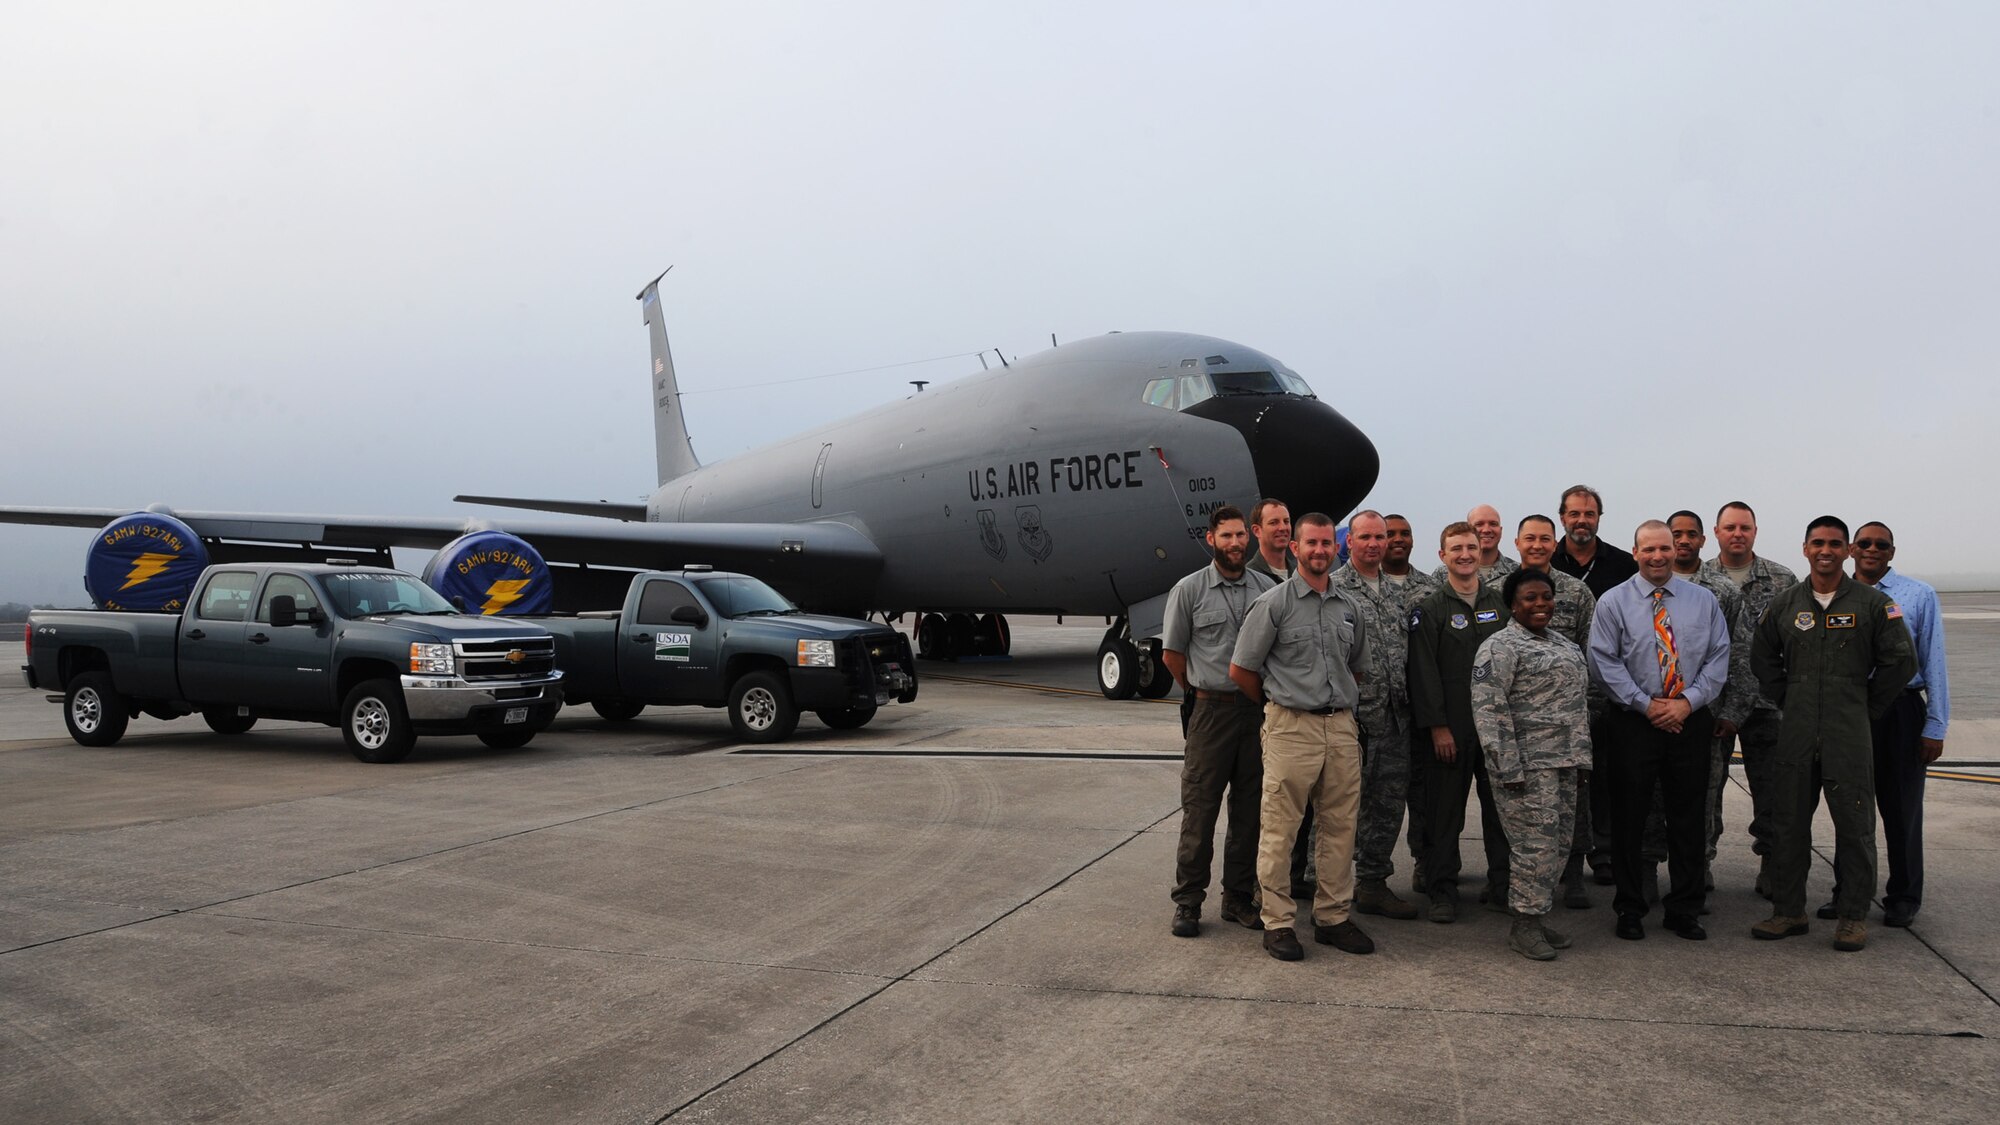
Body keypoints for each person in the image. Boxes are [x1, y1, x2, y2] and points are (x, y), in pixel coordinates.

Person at [1750, 516, 1916, 952]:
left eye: (1835, 543)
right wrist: (1789, 697)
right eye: (1818, 542)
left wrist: (1867, 705)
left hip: (1849, 730)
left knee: (1856, 826)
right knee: (1787, 823)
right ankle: (1788, 911)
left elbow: (1901, 660)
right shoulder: (1785, 605)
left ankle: (1852, 917)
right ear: (1805, 548)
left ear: (1847, 551)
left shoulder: (1873, 605)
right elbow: (1762, 656)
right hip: (1798, 729)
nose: (1826, 550)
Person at [1229, 513, 1374, 961]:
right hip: (1291, 726)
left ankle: (1332, 917)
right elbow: (1241, 670)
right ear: (1295, 548)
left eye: (1327, 543)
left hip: (1341, 727)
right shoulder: (1274, 604)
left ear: (1336, 548)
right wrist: (1282, 705)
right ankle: (1277, 922)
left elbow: (1357, 666)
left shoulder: (1348, 606)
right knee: (1280, 828)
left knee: (1339, 827)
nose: (1319, 551)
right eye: (1310, 543)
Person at [1588, 521, 1731, 942]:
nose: (1658, 556)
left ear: (1676, 551)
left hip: (1689, 719)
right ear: (1635, 552)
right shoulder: (1613, 602)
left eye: (1665, 548)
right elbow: (1603, 662)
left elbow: (1719, 656)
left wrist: (1687, 703)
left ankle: (1684, 909)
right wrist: (1646, 704)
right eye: (1648, 549)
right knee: (1629, 818)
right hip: (1634, 721)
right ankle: (1629, 907)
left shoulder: (1703, 600)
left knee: (1688, 817)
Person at [1813, 522, 1945, 929]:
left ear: (1892, 551)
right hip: (1848, 710)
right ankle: (1848, 892)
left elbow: (1933, 660)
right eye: (1864, 543)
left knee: (1901, 807)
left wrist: (1936, 725)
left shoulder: (1918, 596)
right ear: (1852, 549)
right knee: (1849, 806)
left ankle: (1903, 895)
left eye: (1881, 545)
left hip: (1900, 709)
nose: (1872, 550)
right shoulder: (1837, 594)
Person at [1160, 505, 1278, 938]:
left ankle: (1238, 899)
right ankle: (1189, 901)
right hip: (1209, 713)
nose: (1234, 544)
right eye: (1224, 536)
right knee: (1201, 810)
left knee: (1250, 812)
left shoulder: (1267, 589)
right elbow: (1172, 655)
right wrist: (1199, 692)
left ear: (1249, 538)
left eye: (1239, 536)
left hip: (1255, 712)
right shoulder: (1188, 590)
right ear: (1211, 539)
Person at [1473, 570, 1591, 960]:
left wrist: (1581, 758)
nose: (1541, 604)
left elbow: (1577, 704)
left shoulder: (1564, 644)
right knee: (1532, 848)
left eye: (1546, 597)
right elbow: (1489, 711)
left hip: (1565, 763)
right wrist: (1507, 768)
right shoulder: (1500, 647)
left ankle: (1537, 917)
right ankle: (1523, 925)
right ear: (1512, 604)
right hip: (1526, 767)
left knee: (1557, 846)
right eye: (1530, 598)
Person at [1408, 522, 1511, 923]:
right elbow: (1423, 673)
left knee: (1500, 813)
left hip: (1494, 729)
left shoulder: (1501, 606)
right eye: (1456, 548)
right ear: (1443, 556)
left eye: (1471, 546)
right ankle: (1442, 891)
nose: (1465, 554)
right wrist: (1437, 727)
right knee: (1444, 814)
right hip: (1451, 730)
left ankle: (1502, 886)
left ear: (1481, 551)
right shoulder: (1431, 610)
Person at [1329, 511, 1422, 920]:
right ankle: (1325, 889)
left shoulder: (1401, 591)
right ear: (1349, 542)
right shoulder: (1334, 589)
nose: (1373, 544)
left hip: (1396, 717)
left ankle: (1372, 884)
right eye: (1364, 537)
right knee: (1337, 807)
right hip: (1353, 720)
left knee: (1387, 806)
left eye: (1379, 537)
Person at [1504, 514, 1598, 909]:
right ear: (1518, 542)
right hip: (1526, 748)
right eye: (1531, 538)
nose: (1538, 545)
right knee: (1527, 833)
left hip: (1568, 741)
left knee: (1566, 824)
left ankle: (1567, 881)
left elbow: (1592, 662)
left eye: (1546, 538)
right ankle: (1515, 900)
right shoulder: (1499, 602)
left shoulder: (1576, 594)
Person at [1551, 484, 1639, 886]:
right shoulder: (1545, 561)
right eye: (1574, 514)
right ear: (1562, 517)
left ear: (1599, 518)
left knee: (1604, 777)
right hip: (1550, 700)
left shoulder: (1623, 565)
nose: (1581, 520)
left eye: (1589, 513)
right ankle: (1562, 861)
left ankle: (1604, 853)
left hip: (1608, 691)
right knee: (1563, 782)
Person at [1709, 501, 1797, 898]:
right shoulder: (1700, 579)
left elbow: (1796, 639)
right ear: (1717, 532)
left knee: (1773, 790)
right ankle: (1702, 862)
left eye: (1744, 527)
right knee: (1708, 789)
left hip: (1767, 704)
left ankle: (1773, 866)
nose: (1737, 534)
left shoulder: (1782, 579)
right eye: (1730, 527)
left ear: (1755, 532)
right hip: (1715, 702)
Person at [1667, 509, 1746, 904]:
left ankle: (1700, 866)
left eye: (1690, 535)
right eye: (1675, 534)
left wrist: (1730, 711)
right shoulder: (1639, 587)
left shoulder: (1721, 591)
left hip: (1706, 714)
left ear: (1702, 540)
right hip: (1652, 711)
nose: (1682, 541)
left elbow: (1738, 655)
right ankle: (1650, 866)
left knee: (1704, 794)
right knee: (1650, 799)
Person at [1381, 512, 1435, 887]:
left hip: (1421, 714)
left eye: (1405, 533)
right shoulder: (1356, 587)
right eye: (1390, 534)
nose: (1398, 539)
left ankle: (1425, 863)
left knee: (1425, 796)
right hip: (1379, 716)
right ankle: (1372, 876)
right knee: (1378, 801)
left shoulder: (1431, 590)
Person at [1435, 505, 1518, 586]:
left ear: (1500, 530)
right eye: (1479, 524)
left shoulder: (1517, 571)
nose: (1486, 530)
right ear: (1468, 529)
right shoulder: (1443, 573)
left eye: (1493, 524)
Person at [1247, 499, 1293, 581]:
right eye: (1273, 522)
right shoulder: (1248, 578)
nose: (1283, 528)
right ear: (1257, 531)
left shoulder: (1301, 572)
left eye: (1286, 521)